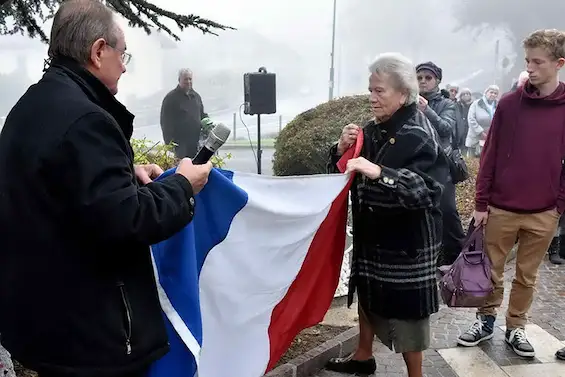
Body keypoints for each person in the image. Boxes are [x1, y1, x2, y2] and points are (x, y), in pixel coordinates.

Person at [0, 1, 212, 376]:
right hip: (93, 339)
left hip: (45, 327)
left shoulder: (31, 106)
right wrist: (183, 185)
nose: (125, 65)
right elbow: (129, 221)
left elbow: (57, 186)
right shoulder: (87, 120)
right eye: (122, 53)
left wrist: (125, 172)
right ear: (98, 51)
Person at [324, 52, 448, 377]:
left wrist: (380, 172)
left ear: (403, 94)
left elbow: (427, 190)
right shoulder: (372, 129)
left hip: (406, 243)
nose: (372, 98)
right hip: (373, 236)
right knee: (367, 297)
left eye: (380, 91)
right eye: (371, 89)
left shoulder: (419, 133)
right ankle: (364, 357)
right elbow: (341, 176)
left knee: (408, 319)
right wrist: (340, 149)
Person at [455, 29, 565, 360]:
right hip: (501, 207)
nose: (529, 68)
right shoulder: (508, 104)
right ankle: (485, 321)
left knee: (527, 277)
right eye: (527, 61)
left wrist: (559, 205)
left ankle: (516, 326)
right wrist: (482, 203)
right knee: (491, 270)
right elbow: (489, 155)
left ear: (559, 64)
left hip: (544, 211)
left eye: (537, 62)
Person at [416, 61, 465, 266]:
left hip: (441, 166)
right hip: (417, 163)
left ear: (437, 81)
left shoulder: (447, 104)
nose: (423, 82)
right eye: (419, 78)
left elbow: (446, 129)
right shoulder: (407, 101)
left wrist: (426, 110)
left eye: (428, 78)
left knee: (447, 212)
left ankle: (459, 259)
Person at [160, 68, 208, 159]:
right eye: (185, 79)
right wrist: (169, 145)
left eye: (190, 79)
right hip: (179, 145)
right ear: (179, 80)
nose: (188, 81)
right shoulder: (170, 98)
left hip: (195, 143)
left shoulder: (196, 97)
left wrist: (206, 120)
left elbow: (201, 115)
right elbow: (165, 123)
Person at [465, 85, 499, 157]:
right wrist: (480, 132)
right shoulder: (476, 104)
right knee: (473, 162)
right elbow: (471, 119)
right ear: (486, 93)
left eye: (495, 93)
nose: (493, 94)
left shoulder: (498, 105)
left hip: (491, 137)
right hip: (475, 137)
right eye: (491, 92)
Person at [454, 88, 473, 154]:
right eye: (464, 94)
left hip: (470, 130)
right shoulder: (457, 105)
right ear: (460, 96)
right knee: (461, 151)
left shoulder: (473, 105)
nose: (466, 95)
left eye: (467, 94)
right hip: (460, 131)